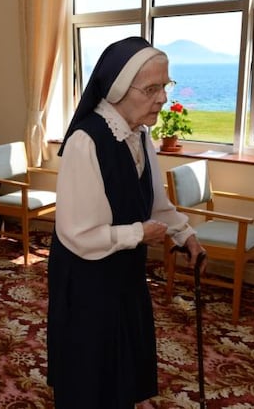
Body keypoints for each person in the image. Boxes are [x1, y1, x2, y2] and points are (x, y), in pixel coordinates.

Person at [47, 36, 206, 408]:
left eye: (165, 86)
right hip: (87, 280)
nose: (163, 98)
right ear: (119, 89)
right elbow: (77, 233)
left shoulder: (140, 133)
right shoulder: (86, 142)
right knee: (90, 367)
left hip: (123, 274)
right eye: (151, 88)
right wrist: (139, 234)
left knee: (120, 362)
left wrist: (187, 236)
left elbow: (155, 202)